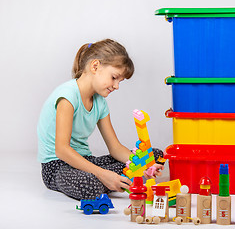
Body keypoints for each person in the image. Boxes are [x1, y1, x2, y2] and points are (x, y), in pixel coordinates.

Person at [37, 39, 164, 200]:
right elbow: (62, 150)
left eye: (120, 81)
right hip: (58, 166)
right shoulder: (68, 97)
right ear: (95, 66)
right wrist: (103, 174)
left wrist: (143, 165)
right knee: (91, 185)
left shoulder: (100, 103)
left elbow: (115, 147)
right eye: (114, 78)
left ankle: (119, 179)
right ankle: (113, 181)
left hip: (86, 162)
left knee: (153, 155)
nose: (116, 86)